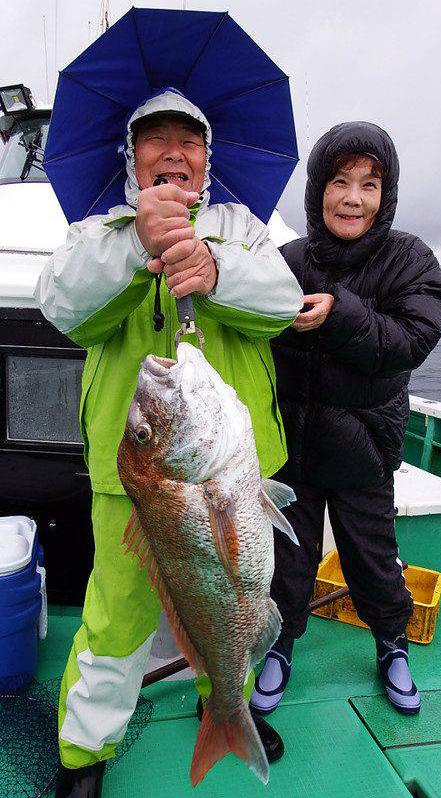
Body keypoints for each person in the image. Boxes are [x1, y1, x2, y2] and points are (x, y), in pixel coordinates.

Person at [34, 89, 303, 797]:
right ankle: (85, 752)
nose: (174, 151)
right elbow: (62, 306)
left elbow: (282, 305)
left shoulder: (240, 226)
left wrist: (216, 270)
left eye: (190, 138)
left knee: (237, 594)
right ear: (133, 156)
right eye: (155, 138)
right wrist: (135, 245)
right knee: (116, 618)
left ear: (207, 157)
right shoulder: (98, 230)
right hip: (138, 476)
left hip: (230, 472)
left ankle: (226, 700)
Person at [250, 121, 441, 718]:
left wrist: (339, 316)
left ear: (386, 195)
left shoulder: (411, 259)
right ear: (317, 189)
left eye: (369, 184)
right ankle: (279, 647)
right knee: (288, 562)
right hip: (294, 451)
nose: (353, 197)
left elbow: (409, 341)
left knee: (373, 560)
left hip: (365, 451)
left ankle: (391, 644)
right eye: (339, 181)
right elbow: (247, 323)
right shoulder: (285, 260)